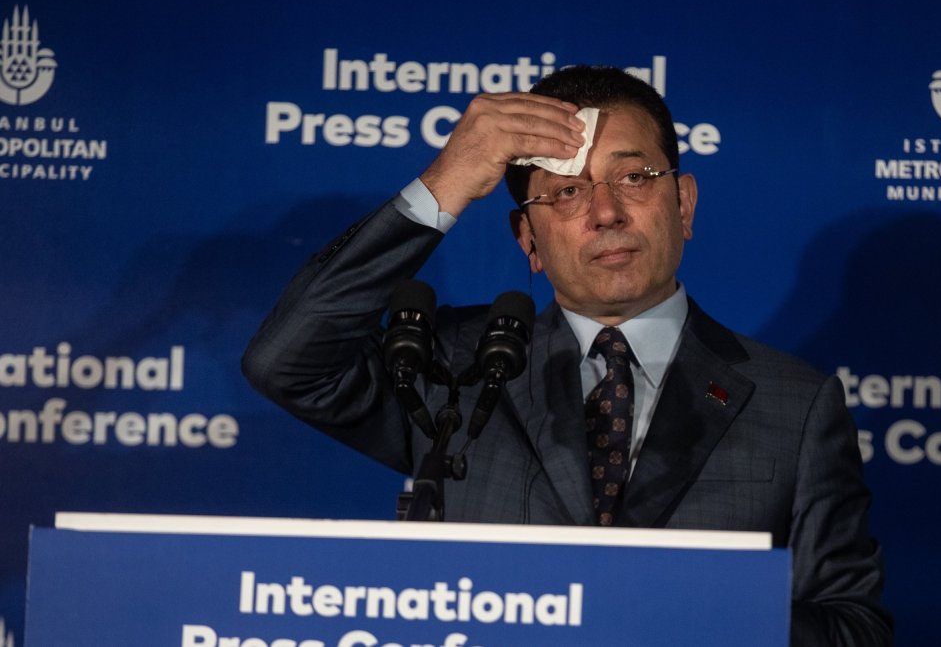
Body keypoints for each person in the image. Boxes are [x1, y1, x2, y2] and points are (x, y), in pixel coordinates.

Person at [243, 65, 892, 646]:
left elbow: (853, 627)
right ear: (528, 237)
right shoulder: (453, 367)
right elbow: (288, 360)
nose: (607, 211)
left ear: (684, 203)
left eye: (634, 176)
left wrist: (700, 604)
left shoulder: (795, 403)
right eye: (566, 192)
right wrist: (445, 183)